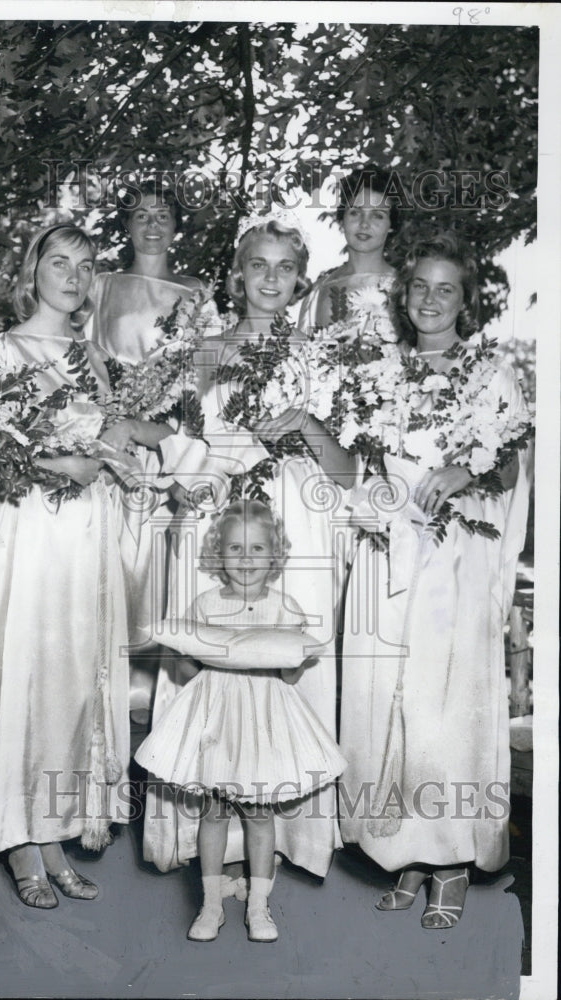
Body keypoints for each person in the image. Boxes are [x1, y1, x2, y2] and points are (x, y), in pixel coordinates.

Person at [144, 209, 353, 886]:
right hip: (217, 522)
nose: (270, 279)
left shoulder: (319, 356)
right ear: (237, 275)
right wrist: (194, 475)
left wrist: (308, 425)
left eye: (285, 268)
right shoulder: (201, 353)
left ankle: (289, 836)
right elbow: (171, 449)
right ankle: (210, 840)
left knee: (285, 667)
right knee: (213, 669)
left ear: (300, 282)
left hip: (295, 517)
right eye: (257, 265)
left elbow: (347, 473)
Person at [339, 233, 532, 929]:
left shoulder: (491, 373)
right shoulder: (376, 371)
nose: (428, 298)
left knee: (443, 709)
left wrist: (466, 471)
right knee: (387, 703)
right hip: (390, 555)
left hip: (454, 562)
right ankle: (404, 853)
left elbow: (511, 469)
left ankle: (449, 861)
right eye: (418, 285)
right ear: (402, 293)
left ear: (466, 300)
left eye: (444, 288)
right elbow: (360, 469)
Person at [0, 223, 147, 908]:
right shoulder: (5, 348)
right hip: (33, 530)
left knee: (74, 681)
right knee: (30, 674)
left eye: (85, 266)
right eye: (59, 262)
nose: (73, 276)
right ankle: (19, 839)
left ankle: (51, 832)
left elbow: (110, 433)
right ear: (34, 270)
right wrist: (63, 463)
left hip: (87, 530)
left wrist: (120, 460)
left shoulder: (90, 355)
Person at [136, 501, 346, 942]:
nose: (246, 559)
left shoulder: (283, 605)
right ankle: (211, 905)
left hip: (264, 719)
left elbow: (288, 673)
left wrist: (298, 654)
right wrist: (184, 652)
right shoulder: (206, 603)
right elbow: (193, 670)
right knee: (213, 811)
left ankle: (258, 906)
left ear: (274, 556)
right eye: (235, 548)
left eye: (257, 548)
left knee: (257, 811)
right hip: (215, 716)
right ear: (218, 553)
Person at [85, 180, 206, 720]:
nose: (152, 225)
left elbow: (202, 381)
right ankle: (98, 706)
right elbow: (81, 357)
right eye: (140, 215)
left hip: (165, 447)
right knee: (105, 572)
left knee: (156, 579)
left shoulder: (196, 294)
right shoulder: (103, 285)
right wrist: (114, 417)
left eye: (163, 215)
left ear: (177, 225)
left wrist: (158, 425)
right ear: (126, 224)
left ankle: (151, 715)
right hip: (110, 446)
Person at [298, 165, 399, 340]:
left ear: (391, 225)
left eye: (377, 215)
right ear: (342, 218)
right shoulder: (319, 291)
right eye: (355, 213)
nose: (364, 224)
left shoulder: (404, 287)